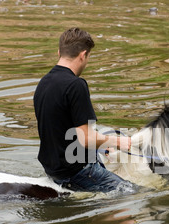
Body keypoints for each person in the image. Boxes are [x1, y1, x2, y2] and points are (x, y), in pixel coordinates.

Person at [34, 27, 135, 193]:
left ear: (59, 52)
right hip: (75, 171)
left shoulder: (43, 83)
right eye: (88, 57)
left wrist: (99, 146)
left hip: (52, 167)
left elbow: (60, 131)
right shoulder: (76, 85)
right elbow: (86, 139)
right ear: (83, 55)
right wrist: (118, 142)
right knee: (132, 193)